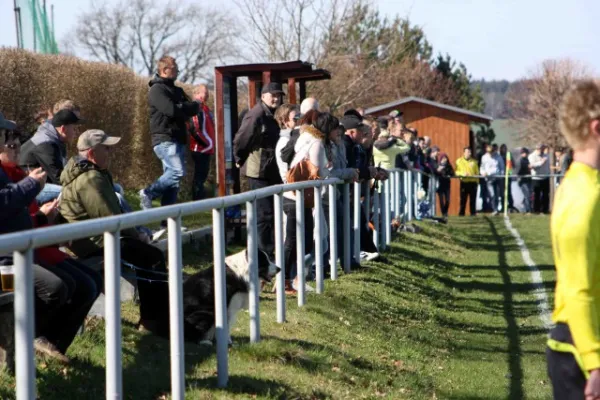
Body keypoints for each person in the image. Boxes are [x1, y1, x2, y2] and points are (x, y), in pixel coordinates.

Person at [0, 114, 100, 363]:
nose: (15, 146)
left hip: (22, 250)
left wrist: (44, 219)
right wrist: (32, 185)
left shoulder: (13, 174)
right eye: (9, 140)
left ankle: (51, 348)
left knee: (88, 283)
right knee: (56, 287)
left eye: (15, 140)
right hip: (6, 260)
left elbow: (17, 220)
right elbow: (3, 206)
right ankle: (31, 342)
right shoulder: (15, 177)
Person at [60, 129, 169, 334]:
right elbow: (112, 219)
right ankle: (155, 322)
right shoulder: (90, 179)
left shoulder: (91, 173)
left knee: (147, 255)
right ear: (92, 153)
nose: (111, 152)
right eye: (106, 149)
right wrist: (139, 237)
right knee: (151, 257)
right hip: (94, 244)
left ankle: (155, 319)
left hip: (95, 239)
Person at [547, 80, 600, 399]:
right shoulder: (584, 197)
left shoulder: (580, 184)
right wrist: (594, 363)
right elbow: (578, 287)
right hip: (581, 350)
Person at [282, 111, 336, 292]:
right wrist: (329, 172)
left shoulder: (305, 138)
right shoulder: (317, 143)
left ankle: (292, 278)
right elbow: (317, 171)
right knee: (294, 241)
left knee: (301, 240)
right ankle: (284, 279)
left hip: (296, 195)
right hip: (297, 196)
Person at [139, 55, 200, 211]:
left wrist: (181, 107)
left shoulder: (177, 90)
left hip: (178, 138)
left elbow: (194, 108)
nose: (178, 71)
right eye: (175, 68)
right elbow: (171, 110)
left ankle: (167, 221)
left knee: (173, 182)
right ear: (165, 70)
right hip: (165, 138)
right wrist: (182, 107)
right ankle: (148, 192)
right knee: (177, 172)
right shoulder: (157, 90)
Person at [233, 82, 284, 257]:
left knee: (270, 213)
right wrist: (239, 157)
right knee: (265, 214)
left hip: (269, 170)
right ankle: (263, 254)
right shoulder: (256, 114)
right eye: (273, 95)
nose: (276, 98)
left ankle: (267, 251)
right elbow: (241, 138)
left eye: (279, 95)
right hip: (258, 171)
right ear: (263, 96)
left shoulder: (270, 114)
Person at [20, 107, 83, 204]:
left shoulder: (54, 139)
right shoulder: (46, 144)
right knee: (72, 193)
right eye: (74, 128)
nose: (76, 132)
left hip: (40, 184)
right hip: (28, 187)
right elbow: (59, 178)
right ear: (63, 129)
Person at [188, 84, 215, 201]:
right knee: (199, 176)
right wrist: (206, 143)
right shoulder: (195, 106)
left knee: (203, 175)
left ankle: (200, 199)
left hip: (206, 148)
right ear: (197, 94)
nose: (207, 94)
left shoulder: (205, 108)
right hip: (199, 148)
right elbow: (194, 128)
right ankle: (196, 200)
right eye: (205, 92)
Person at [275, 103, 300, 182]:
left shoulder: (294, 137)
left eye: (301, 117)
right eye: (296, 118)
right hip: (292, 187)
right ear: (285, 121)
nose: (300, 120)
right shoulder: (284, 141)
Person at [480, 143, 505, 215]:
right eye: (489, 152)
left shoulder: (498, 157)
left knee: (496, 195)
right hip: (489, 179)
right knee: (492, 195)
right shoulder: (484, 157)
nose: (490, 154)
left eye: (491, 152)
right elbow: (482, 167)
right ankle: (494, 208)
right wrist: (483, 173)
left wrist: (501, 176)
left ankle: (496, 209)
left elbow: (502, 168)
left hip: (497, 178)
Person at [455, 147, 479, 216]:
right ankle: (461, 213)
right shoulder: (459, 161)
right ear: (464, 153)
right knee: (463, 199)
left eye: (470, 152)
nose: (469, 153)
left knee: (473, 199)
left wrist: (477, 182)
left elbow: (477, 172)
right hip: (464, 182)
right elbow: (456, 171)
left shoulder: (474, 162)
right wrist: (462, 174)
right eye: (468, 152)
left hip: (473, 183)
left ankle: (473, 213)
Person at [528, 144, 550, 214]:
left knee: (545, 195)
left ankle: (545, 210)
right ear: (537, 149)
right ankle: (536, 210)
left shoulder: (546, 155)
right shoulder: (532, 156)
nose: (543, 151)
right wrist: (541, 162)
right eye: (541, 149)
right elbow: (532, 165)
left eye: (543, 149)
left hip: (545, 178)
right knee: (536, 195)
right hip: (536, 178)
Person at [435, 152, 454, 218]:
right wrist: (438, 171)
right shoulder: (438, 165)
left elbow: (452, 173)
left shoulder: (449, 166)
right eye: (443, 158)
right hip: (440, 184)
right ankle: (443, 213)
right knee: (441, 200)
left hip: (447, 185)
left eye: (445, 158)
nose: (444, 159)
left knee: (447, 200)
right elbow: (436, 173)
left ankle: (445, 211)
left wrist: (449, 174)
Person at [517, 147, 532, 214]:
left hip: (528, 179)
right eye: (523, 153)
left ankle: (526, 208)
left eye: (525, 153)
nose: (524, 154)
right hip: (522, 180)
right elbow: (519, 171)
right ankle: (527, 210)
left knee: (528, 195)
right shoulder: (520, 161)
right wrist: (527, 167)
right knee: (527, 194)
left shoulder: (527, 160)